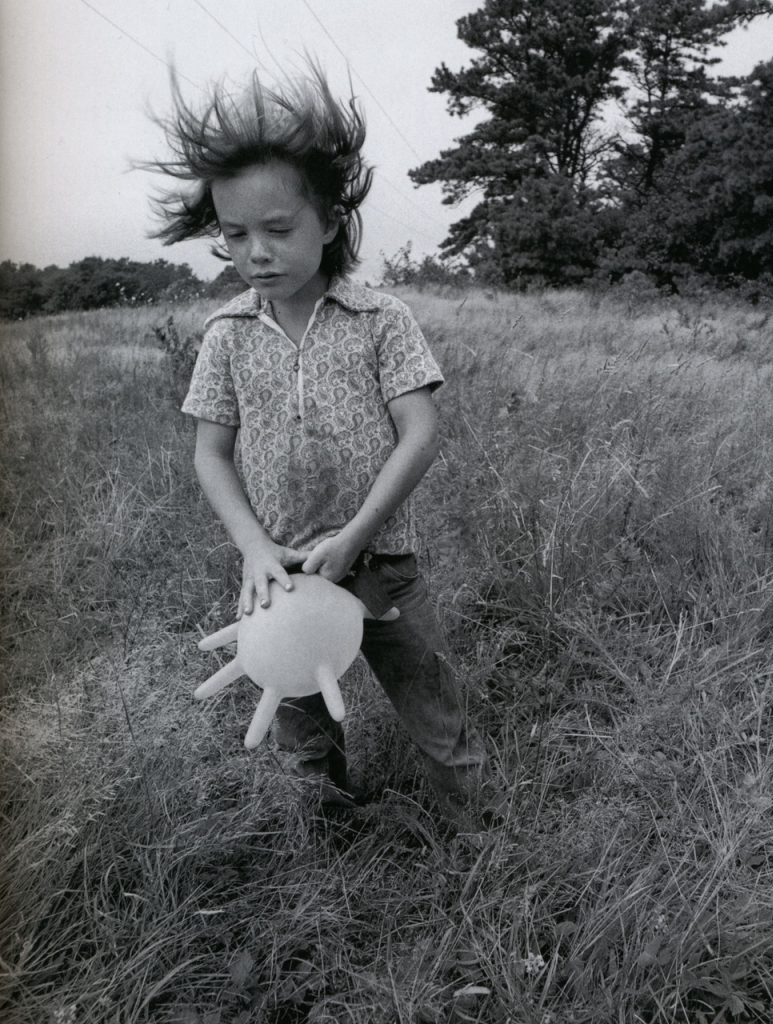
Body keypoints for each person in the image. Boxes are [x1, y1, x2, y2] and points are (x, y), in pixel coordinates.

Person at [146, 63, 487, 828]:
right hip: (283, 577)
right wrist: (255, 552)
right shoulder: (227, 335)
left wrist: (358, 534)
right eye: (236, 234)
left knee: (430, 701)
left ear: (330, 222)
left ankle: (477, 836)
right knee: (299, 720)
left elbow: (421, 432)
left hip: (382, 563)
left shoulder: (379, 317)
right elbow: (211, 453)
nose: (256, 252)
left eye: (278, 229)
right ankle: (329, 838)